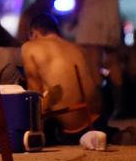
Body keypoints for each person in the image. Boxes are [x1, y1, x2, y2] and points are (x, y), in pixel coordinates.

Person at [21, 14, 103, 144]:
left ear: (34, 33)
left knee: (33, 105)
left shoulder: (30, 47)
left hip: (70, 129)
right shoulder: (78, 48)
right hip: (98, 122)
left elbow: (35, 96)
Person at [73, 0, 125, 116]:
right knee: (114, 62)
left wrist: (74, 17)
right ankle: (119, 106)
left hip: (91, 15)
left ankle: (98, 107)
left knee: (92, 62)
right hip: (110, 15)